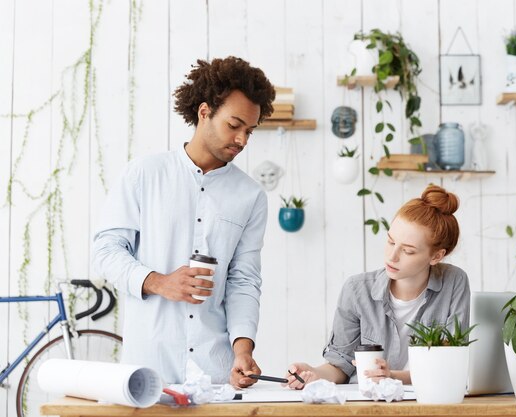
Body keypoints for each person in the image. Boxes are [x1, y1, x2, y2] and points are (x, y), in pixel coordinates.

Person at [92, 56, 275, 387]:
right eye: (234, 126)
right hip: (149, 369)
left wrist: (242, 350)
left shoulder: (251, 196)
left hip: (215, 372)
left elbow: (243, 280)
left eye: (250, 131)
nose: (242, 141)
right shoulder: (143, 174)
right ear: (204, 112)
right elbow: (106, 251)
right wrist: (159, 281)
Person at [284, 185, 470, 389]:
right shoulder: (356, 290)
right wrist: (313, 373)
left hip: (430, 401)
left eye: (407, 251)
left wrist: (392, 376)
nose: (392, 256)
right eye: (390, 242)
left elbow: (450, 362)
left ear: (436, 256)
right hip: (369, 404)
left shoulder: (453, 282)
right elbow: (341, 365)